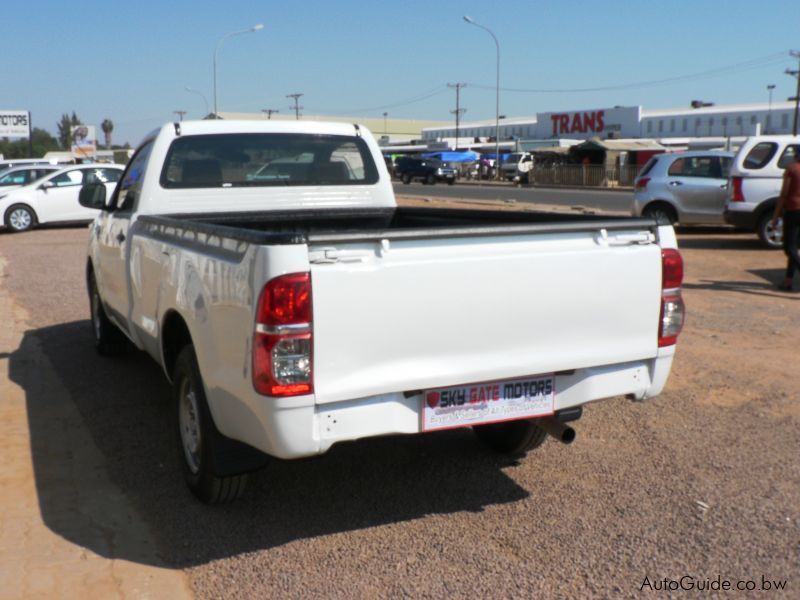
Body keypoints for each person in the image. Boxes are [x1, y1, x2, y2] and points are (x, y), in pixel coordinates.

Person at [772, 149, 800, 291]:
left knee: (789, 247)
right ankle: (788, 281)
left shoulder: (791, 169)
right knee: (794, 248)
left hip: (794, 210)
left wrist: (775, 216)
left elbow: (784, 194)